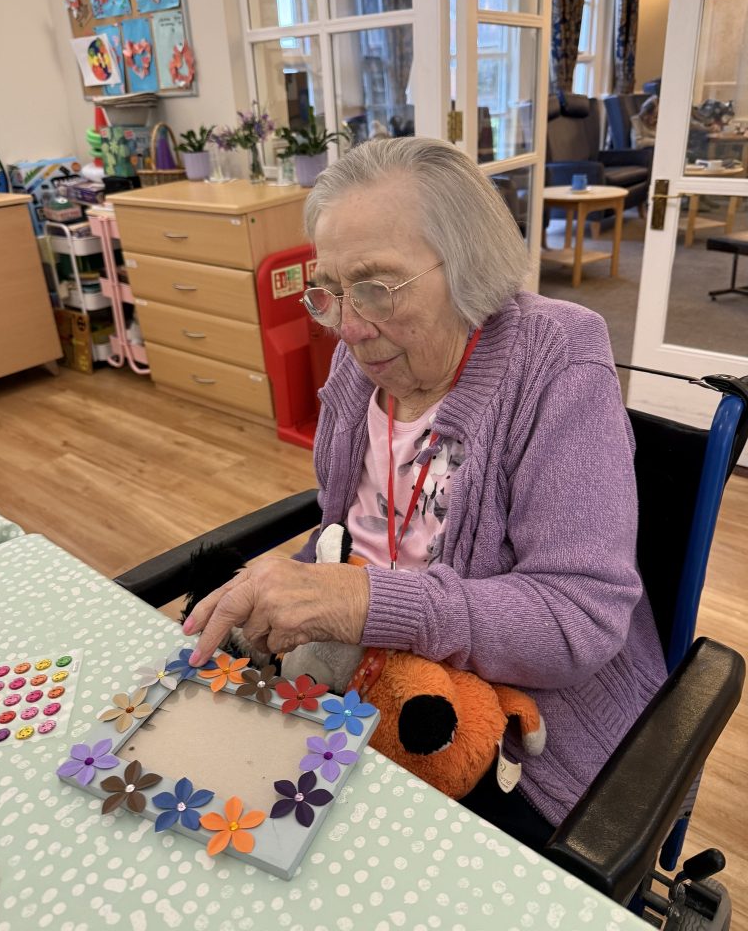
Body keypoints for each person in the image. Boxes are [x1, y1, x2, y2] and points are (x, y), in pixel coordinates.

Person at [183, 137, 667, 848]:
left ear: (468, 266)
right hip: (360, 681)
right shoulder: (366, 363)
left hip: (514, 740)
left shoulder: (558, 360)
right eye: (332, 291)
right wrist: (299, 584)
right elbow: (346, 528)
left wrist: (366, 603)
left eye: (377, 286)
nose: (348, 326)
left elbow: (582, 620)